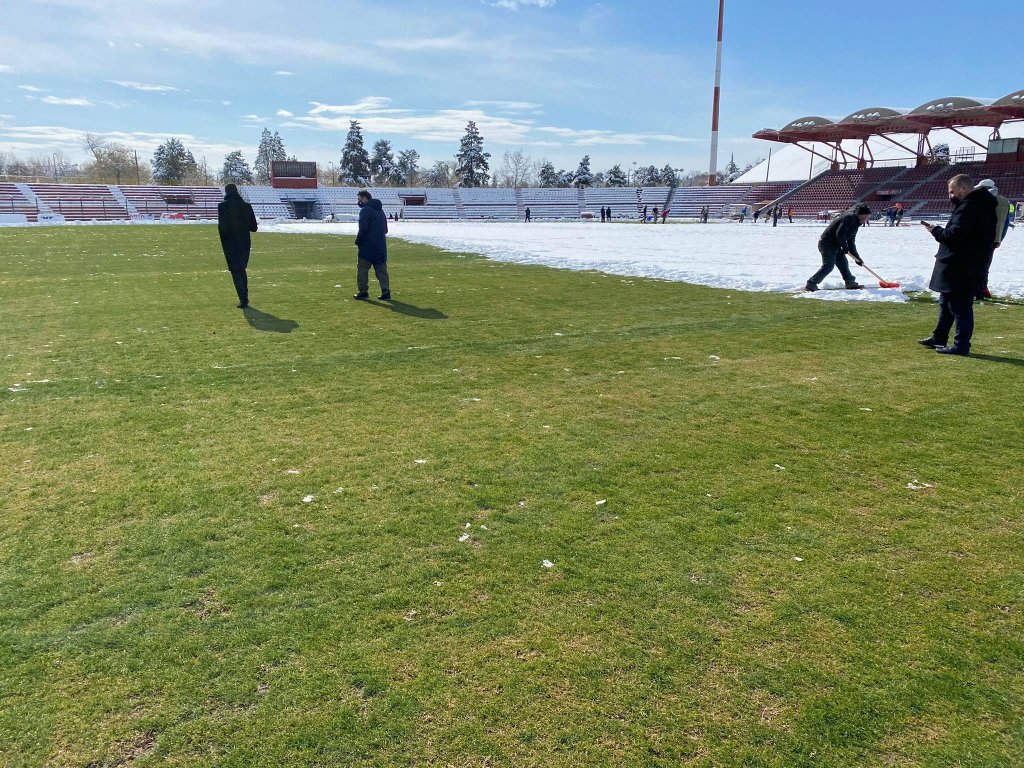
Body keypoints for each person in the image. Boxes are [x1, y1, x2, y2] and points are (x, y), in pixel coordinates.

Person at [918, 174, 996, 356]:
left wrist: (937, 231)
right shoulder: (982, 205)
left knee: (959, 307)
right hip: (967, 264)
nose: (950, 196)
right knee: (946, 303)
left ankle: (961, 345)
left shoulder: (969, 207)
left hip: (961, 266)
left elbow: (956, 235)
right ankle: (939, 337)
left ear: (964, 189)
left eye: (952, 192)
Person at [804, 204, 870, 291]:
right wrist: (844, 246)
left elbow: (851, 242)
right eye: (867, 216)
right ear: (862, 215)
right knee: (828, 266)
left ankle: (850, 282)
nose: (867, 218)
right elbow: (840, 233)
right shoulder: (849, 218)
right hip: (827, 243)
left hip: (837, 244)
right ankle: (811, 284)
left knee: (843, 264)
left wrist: (857, 258)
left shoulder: (856, 224)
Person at [217, 183, 258, 308]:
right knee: (241, 268)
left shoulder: (222, 206)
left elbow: (222, 227)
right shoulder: (247, 206)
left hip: (230, 242)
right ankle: (244, 296)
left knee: (235, 270)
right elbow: (254, 227)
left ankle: (243, 299)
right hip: (244, 242)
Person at [976, 178, 1012, 298]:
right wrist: (999, 239)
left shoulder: (979, 200)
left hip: (977, 238)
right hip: (994, 240)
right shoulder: (1005, 202)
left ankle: (976, 290)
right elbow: (1006, 224)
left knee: (973, 265)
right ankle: (983, 289)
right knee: (985, 265)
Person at [353, 189, 391, 301]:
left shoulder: (365, 211)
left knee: (362, 270)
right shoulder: (381, 210)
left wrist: (358, 241)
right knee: (382, 270)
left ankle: (363, 291)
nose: (358, 201)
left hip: (367, 247)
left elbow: (363, 229)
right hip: (380, 246)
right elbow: (385, 229)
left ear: (364, 198)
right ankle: (386, 291)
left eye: (359, 199)